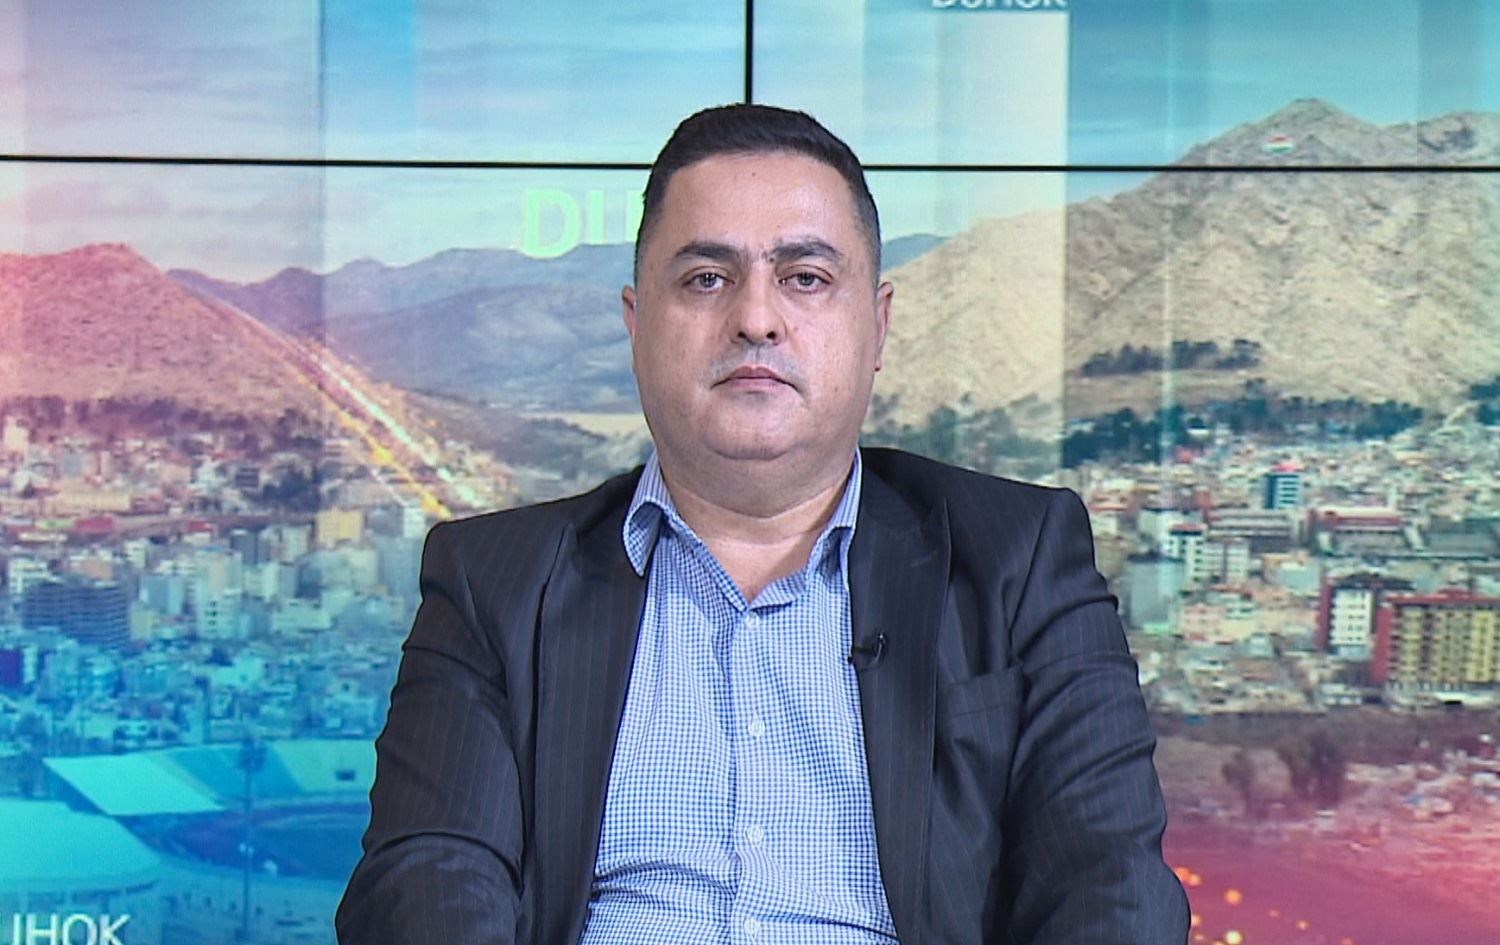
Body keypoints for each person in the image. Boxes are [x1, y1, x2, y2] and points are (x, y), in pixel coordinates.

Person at [336, 104, 1188, 945]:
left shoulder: (1020, 560)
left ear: (878, 325)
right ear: (636, 325)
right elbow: (425, 880)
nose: (755, 317)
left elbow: (1110, 887)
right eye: (706, 278)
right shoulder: (495, 581)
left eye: (804, 277)